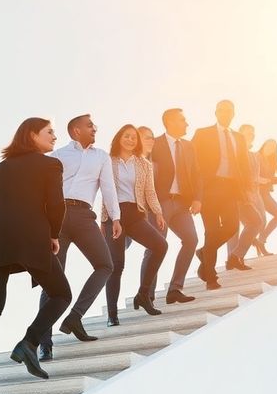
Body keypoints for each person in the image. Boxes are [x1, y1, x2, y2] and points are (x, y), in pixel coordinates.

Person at [0, 118, 72, 394]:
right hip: (33, 238)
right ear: (31, 135)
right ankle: (29, 343)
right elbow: (57, 204)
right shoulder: (50, 165)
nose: (54, 136)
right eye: (49, 131)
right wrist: (53, 234)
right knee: (61, 293)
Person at [38, 114, 122, 361]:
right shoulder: (57, 156)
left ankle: (75, 316)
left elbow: (108, 187)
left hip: (85, 216)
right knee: (52, 278)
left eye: (94, 126)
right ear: (76, 131)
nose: (94, 128)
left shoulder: (101, 156)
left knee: (105, 265)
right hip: (57, 217)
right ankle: (45, 342)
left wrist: (115, 218)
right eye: (89, 126)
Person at [101, 124, 169, 326]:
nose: (130, 140)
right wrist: (103, 219)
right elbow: (104, 192)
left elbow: (150, 192)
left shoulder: (143, 164)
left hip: (135, 214)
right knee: (117, 265)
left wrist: (158, 212)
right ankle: (112, 314)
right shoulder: (107, 162)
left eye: (134, 137)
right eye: (126, 136)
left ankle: (143, 293)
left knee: (160, 246)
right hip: (114, 216)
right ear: (118, 137)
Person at [191, 100, 260, 288]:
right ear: (216, 112)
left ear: (233, 114)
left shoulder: (238, 137)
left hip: (231, 189)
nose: (225, 113)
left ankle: (204, 252)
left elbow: (244, 165)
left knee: (230, 227)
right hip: (209, 188)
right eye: (222, 110)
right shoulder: (202, 133)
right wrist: (195, 193)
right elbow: (191, 161)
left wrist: (245, 191)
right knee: (211, 231)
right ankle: (211, 277)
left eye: (229, 111)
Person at [146, 108, 201, 303]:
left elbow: (195, 173)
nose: (187, 123)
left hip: (182, 203)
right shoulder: (155, 144)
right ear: (170, 122)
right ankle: (147, 294)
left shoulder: (188, 146)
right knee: (156, 245)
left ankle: (175, 289)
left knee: (191, 240)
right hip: (161, 202)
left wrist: (198, 198)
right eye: (183, 120)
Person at [226, 124, 266, 265]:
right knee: (234, 227)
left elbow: (256, 175)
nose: (251, 134)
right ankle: (234, 258)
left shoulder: (255, 155)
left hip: (255, 192)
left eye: (252, 132)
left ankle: (236, 255)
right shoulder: (235, 151)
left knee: (261, 222)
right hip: (240, 192)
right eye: (247, 132)